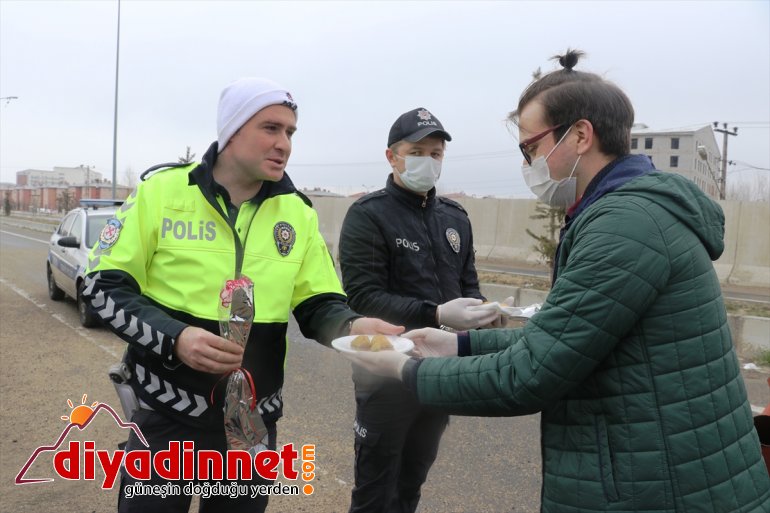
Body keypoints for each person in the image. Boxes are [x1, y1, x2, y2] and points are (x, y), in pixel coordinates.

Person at [347, 51, 770, 512]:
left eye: (531, 147)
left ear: (581, 135)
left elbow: (530, 372)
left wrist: (406, 370)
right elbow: (564, 336)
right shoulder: (623, 214)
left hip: (661, 484)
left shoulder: (624, 226)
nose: (529, 162)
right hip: (660, 472)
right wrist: (458, 345)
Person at [83, 77, 402, 513]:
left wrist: (351, 326)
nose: (284, 144)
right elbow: (102, 286)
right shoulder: (161, 193)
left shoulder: (298, 214)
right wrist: (176, 337)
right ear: (231, 132)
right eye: (270, 128)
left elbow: (319, 304)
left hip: (252, 430)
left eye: (290, 132)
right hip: (164, 421)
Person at [337, 107, 502, 513]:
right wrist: (438, 314)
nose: (427, 161)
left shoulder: (455, 218)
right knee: (375, 489)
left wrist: (483, 313)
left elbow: (468, 285)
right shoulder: (368, 216)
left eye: (436, 153)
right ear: (392, 157)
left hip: (439, 373)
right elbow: (363, 296)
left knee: (412, 481)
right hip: (385, 373)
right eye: (416, 151)